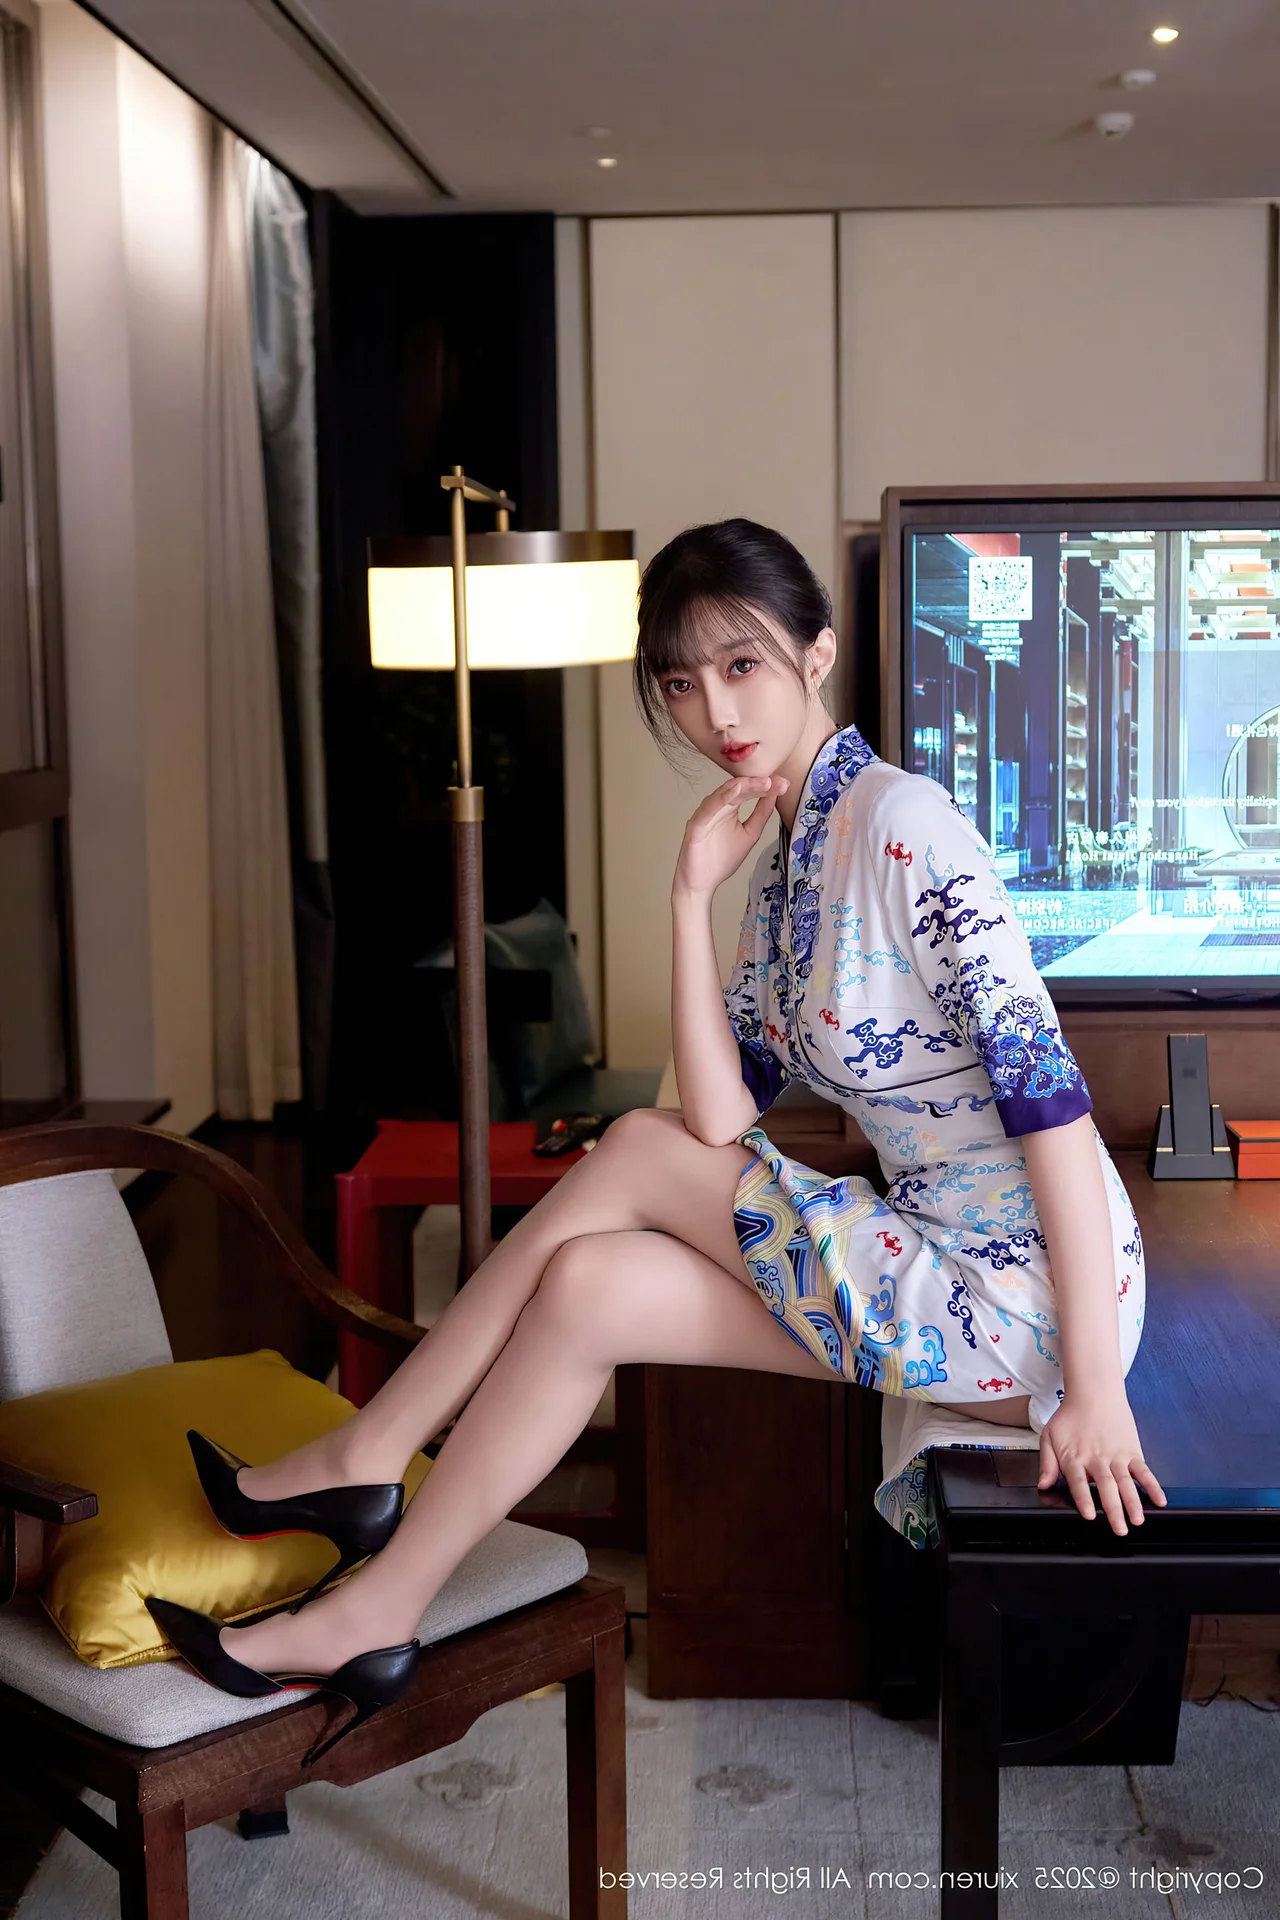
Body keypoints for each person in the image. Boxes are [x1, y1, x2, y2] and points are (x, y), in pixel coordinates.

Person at [147, 516, 1164, 1739]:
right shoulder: (784, 861)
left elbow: (1052, 1106)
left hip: (1034, 1297)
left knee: (633, 1146)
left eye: (741, 665)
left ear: (817, 655)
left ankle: (370, 1453)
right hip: (933, 1260)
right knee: (588, 1290)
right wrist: (688, 894)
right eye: (681, 684)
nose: (715, 712)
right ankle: (376, 1611)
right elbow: (725, 1106)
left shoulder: (905, 825)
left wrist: (1094, 1389)